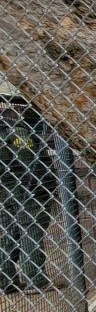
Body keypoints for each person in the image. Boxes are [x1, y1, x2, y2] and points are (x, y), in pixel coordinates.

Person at [0, 100, 58, 293]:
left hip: (7, 188)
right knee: (31, 229)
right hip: (27, 187)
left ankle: (5, 280)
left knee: (9, 232)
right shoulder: (18, 130)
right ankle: (35, 278)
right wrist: (34, 184)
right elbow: (27, 158)